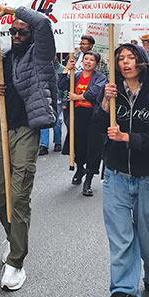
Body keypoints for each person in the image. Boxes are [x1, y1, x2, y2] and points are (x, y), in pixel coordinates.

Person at [95, 43, 149, 297]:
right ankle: (123, 293)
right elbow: (96, 126)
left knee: (148, 236)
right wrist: (104, 104)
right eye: (120, 59)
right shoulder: (111, 95)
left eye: (131, 58)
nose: (125, 62)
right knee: (121, 238)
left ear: (140, 62)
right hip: (115, 176)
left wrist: (128, 138)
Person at [0, 3, 57, 291]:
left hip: (27, 129)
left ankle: (16, 262)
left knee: (19, 195)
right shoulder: (2, 56)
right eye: (12, 31)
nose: (15, 34)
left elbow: (41, 22)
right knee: (1, 191)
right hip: (3, 129)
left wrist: (11, 9)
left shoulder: (41, 54)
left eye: (21, 31)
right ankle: (11, 235)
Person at [58, 51, 107, 195]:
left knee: (93, 148)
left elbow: (94, 92)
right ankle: (80, 169)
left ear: (96, 64)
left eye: (92, 60)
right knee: (78, 146)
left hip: (94, 117)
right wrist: (66, 69)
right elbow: (61, 85)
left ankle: (89, 181)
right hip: (78, 116)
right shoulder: (76, 76)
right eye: (86, 59)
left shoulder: (100, 77)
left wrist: (77, 96)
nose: (88, 62)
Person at [39, 56, 64, 155]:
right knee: (44, 122)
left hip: (58, 99)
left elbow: (65, 86)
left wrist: (65, 101)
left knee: (57, 123)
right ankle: (43, 145)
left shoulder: (62, 69)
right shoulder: (42, 69)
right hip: (45, 99)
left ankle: (57, 142)